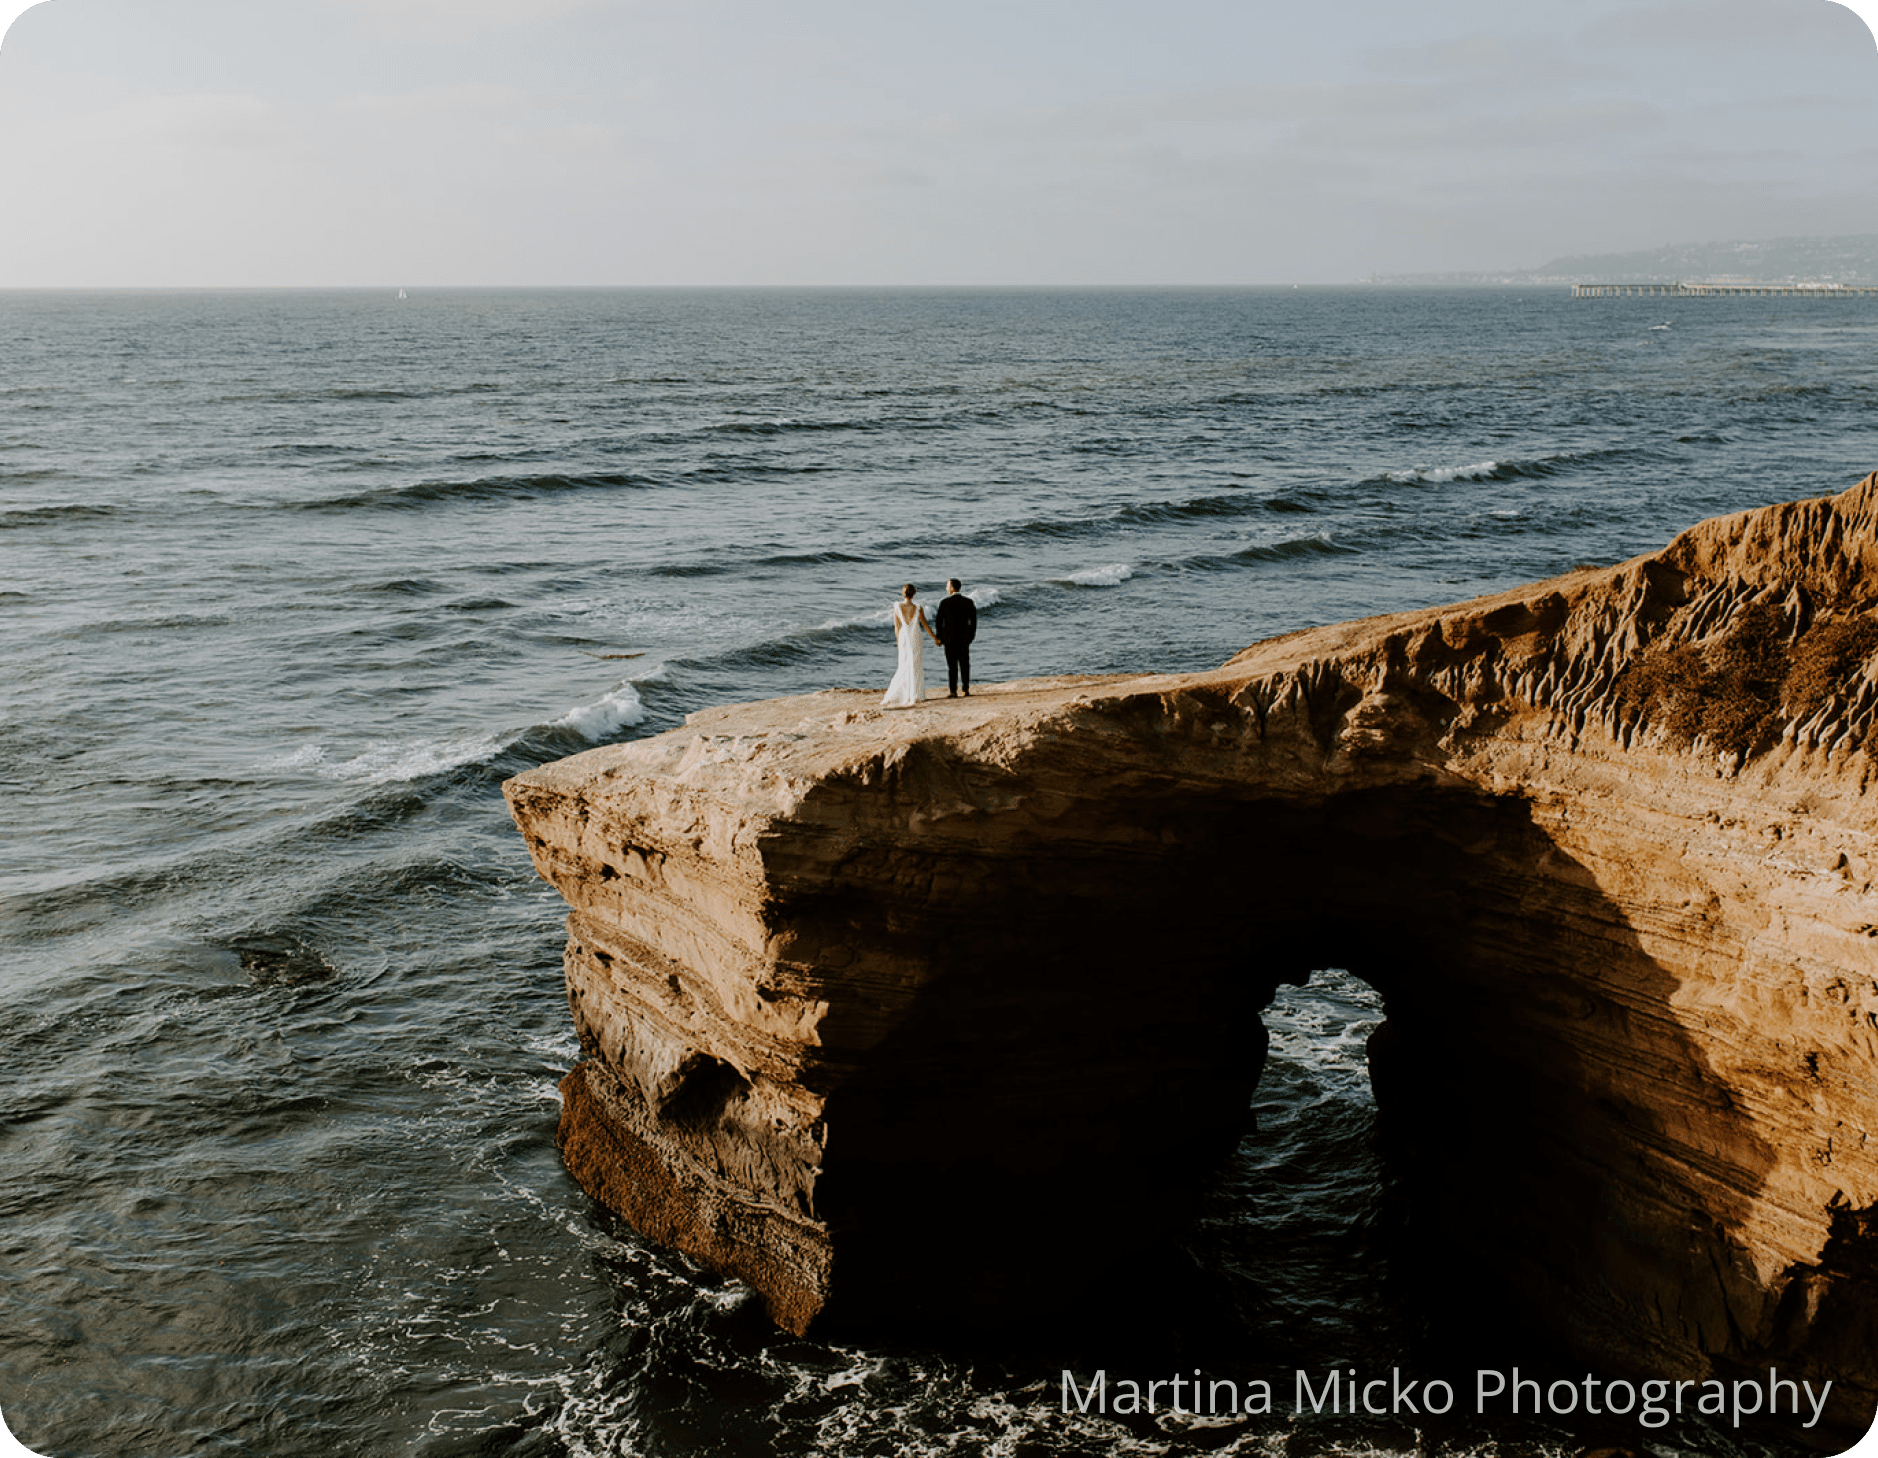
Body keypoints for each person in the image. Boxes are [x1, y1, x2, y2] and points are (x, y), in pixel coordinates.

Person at [881, 583, 939, 709]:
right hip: (916, 636)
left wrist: (898, 641)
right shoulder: (918, 608)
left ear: (903, 593)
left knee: (903, 663)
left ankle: (906, 692)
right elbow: (925, 625)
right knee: (916, 663)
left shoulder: (897, 607)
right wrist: (935, 638)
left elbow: (897, 627)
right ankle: (917, 693)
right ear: (914, 594)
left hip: (904, 636)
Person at [933, 578, 977, 697]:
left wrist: (939, 637)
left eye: (947, 586)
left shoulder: (945, 602)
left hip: (949, 639)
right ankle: (966, 689)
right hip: (964, 638)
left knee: (952, 666)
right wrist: (971, 636)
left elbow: (939, 622)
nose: (946, 588)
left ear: (952, 588)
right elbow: (973, 621)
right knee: (965, 664)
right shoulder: (968, 602)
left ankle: (953, 691)